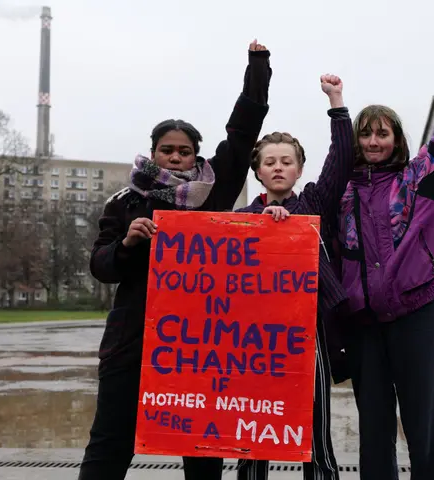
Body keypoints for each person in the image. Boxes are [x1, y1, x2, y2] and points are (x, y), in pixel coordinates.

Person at [78, 39, 272, 480]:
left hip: (199, 345)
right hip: (133, 343)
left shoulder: (216, 190)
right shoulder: (125, 202)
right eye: (168, 149)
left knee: (202, 449)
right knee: (111, 442)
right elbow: (100, 266)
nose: (176, 157)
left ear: (196, 155)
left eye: (185, 151)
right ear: (153, 152)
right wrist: (127, 245)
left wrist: (257, 69)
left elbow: (242, 136)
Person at [332, 15, 434, 480]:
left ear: (397, 139)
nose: (372, 141)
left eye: (382, 133)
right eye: (365, 134)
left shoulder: (422, 177)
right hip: (364, 324)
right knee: (374, 432)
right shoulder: (341, 192)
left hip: (416, 316)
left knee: (426, 431)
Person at [234, 73, 355, 480]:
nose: (279, 167)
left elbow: (342, 160)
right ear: (258, 172)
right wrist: (264, 227)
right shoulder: (241, 220)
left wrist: (336, 103)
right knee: (253, 437)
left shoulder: (315, 204)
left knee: (317, 433)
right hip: (255, 340)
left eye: (287, 161)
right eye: (270, 162)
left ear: (300, 168)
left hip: (310, 332)